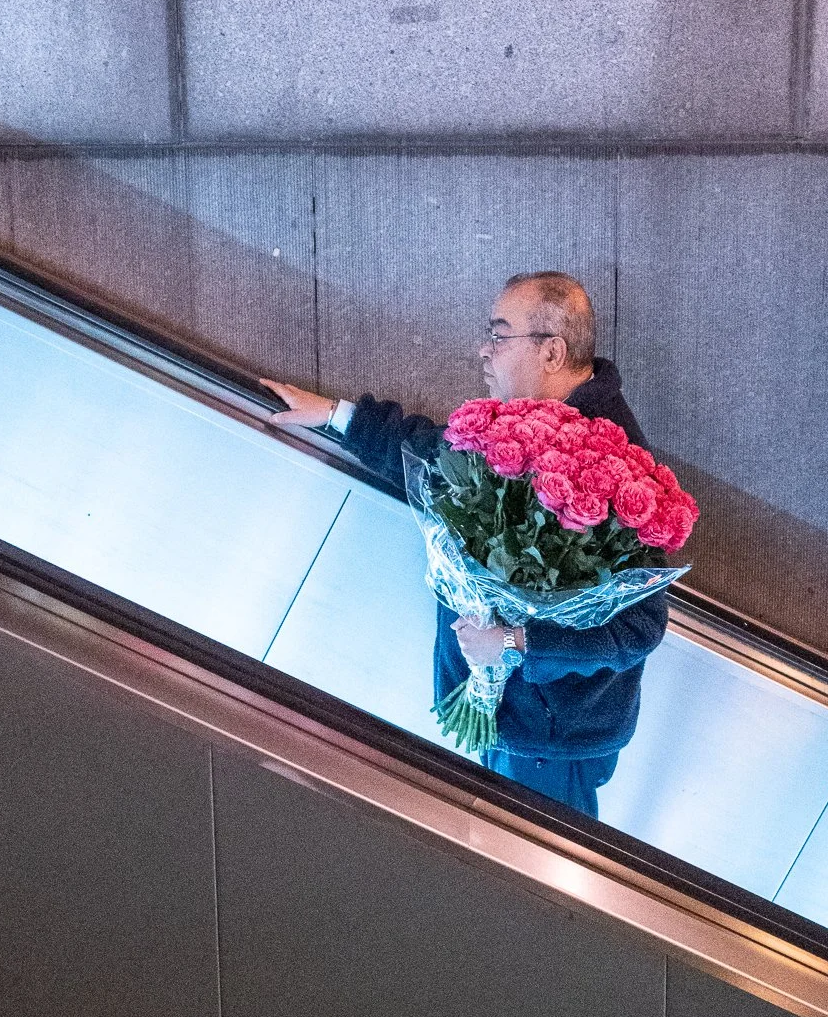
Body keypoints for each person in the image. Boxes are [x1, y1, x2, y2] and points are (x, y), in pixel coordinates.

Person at [263, 272, 666, 820]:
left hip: (549, 742)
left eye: (500, 335)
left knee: (535, 891)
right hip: (508, 716)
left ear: (552, 351)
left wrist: (517, 641)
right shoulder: (528, 419)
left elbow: (641, 627)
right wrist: (339, 416)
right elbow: (441, 460)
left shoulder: (617, 464)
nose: (485, 350)